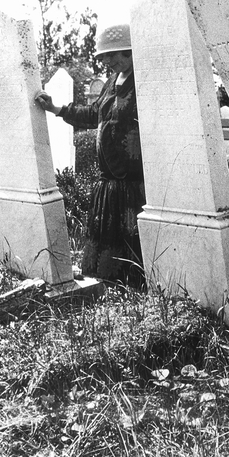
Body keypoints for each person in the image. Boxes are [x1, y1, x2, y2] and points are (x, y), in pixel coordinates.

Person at [35, 24, 145, 286]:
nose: (106, 62)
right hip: (110, 181)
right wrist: (55, 108)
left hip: (132, 181)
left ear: (128, 51)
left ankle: (133, 285)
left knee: (131, 241)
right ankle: (107, 282)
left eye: (111, 56)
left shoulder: (141, 81)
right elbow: (93, 114)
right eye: (103, 57)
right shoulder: (111, 82)